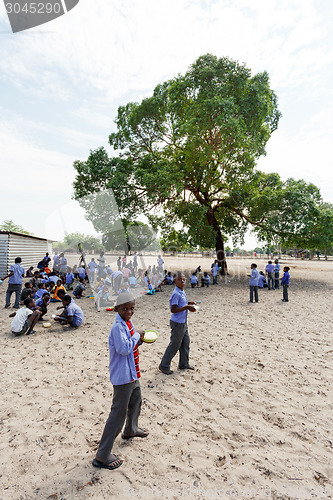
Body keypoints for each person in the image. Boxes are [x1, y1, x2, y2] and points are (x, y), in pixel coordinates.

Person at [92, 293, 148, 471]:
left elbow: (129, 345)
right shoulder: (117, 326)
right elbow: (124, 348)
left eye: (132, 308)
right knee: (117, 414)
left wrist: (138, 340)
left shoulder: (126, 322)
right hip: (123, 377)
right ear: (116, 309)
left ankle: (131, 429)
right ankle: (102, 454)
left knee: (136, 401)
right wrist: (136, 337)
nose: (129, 311)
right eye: (125, 309)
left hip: (132, 373)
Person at [159, 272, 196, 375]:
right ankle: (164, 365)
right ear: (175, 281)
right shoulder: (176, 293)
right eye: (180, 279)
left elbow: (182, 304)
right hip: (177, 323)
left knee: (186, 343)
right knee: (174, 345)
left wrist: (189, 303)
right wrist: (187, 307)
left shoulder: (181, 291)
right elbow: (173, 309)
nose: (182, 281)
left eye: (184, 279)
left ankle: (184, 363)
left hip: (183, 322)